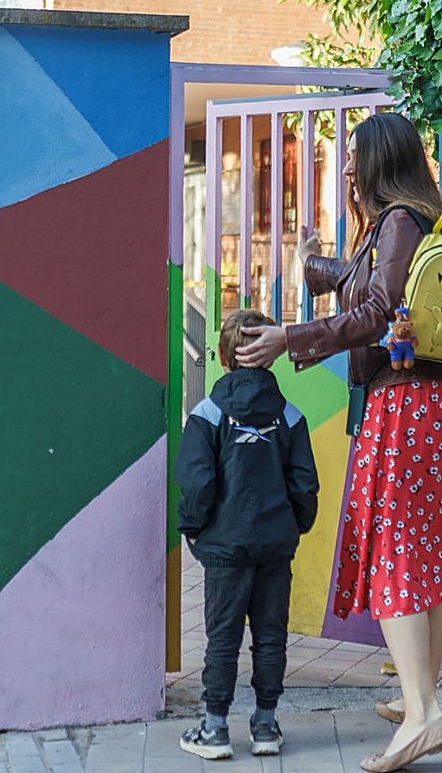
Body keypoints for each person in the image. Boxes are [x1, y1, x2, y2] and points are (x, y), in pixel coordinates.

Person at [233, 113, 442, 772]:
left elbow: (375, 313)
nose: (346, 167)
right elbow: (374, 285)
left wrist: (292, 335)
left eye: (353, 157)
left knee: (396, 553)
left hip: (408, 407)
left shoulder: (397, 221)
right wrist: (319, 269)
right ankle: (418, 694)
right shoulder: (426, 219)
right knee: (425, 550)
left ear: (379, 162)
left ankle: (424, 716)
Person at [175, 308, 320, 761]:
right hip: (275, 546)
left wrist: (193, 528)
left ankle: (215, 729)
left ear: (222, 356)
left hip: (224, 547)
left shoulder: (206, 415)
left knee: (222, 636)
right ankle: (265, 724)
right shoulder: (291, 417)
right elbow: (305, 485)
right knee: (271, 635)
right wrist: (293, 526)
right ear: (270, 357)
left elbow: (198, 482)